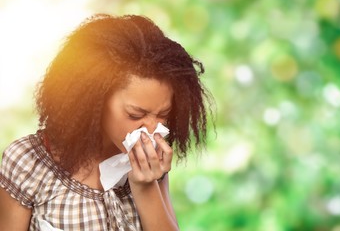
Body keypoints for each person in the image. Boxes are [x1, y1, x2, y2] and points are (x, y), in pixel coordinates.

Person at [0, 14, 212, 230]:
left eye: (163, 113)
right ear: (94, 102)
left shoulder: (151, 164)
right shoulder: (28, 162)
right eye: (135, 115)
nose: (151, 128)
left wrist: (146, 186)